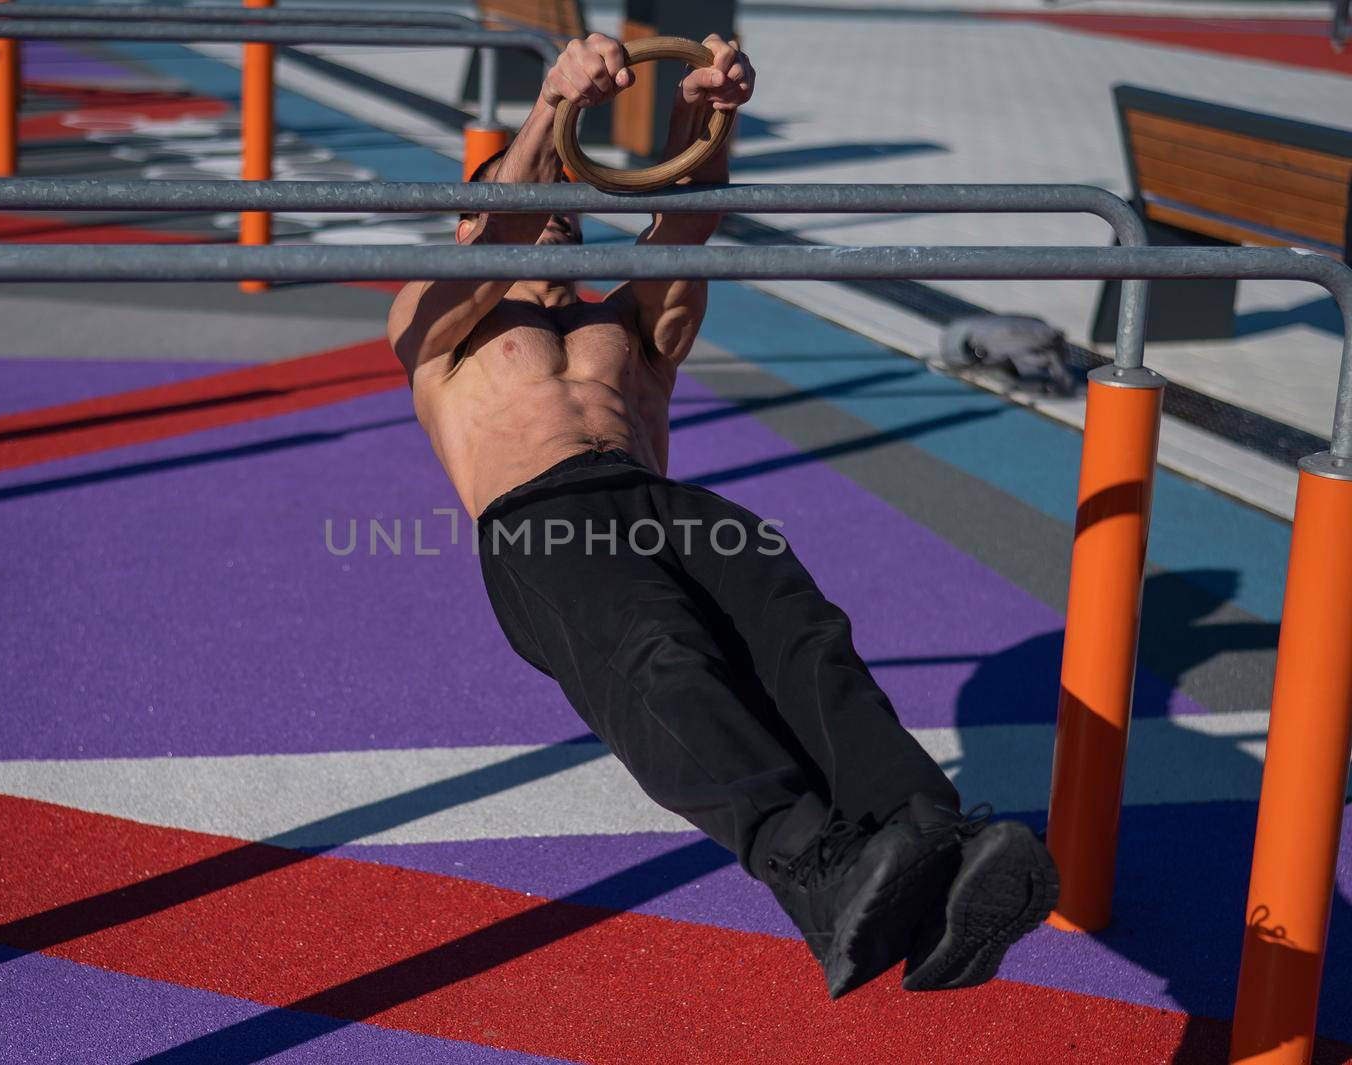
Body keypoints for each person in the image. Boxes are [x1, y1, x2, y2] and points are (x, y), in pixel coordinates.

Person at [385, 32, 1058, 999]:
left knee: (804, 634)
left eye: (560, 215)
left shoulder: (622, 324)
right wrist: (548, 107)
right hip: (541, 520)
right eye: (528, 202)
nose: (552, 226)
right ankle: (815, 871)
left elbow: (688, 223)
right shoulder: (435, 326)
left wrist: (705, 117)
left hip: (666, 503)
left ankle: (927, 840)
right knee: (659, 656)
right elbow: (491, 234)